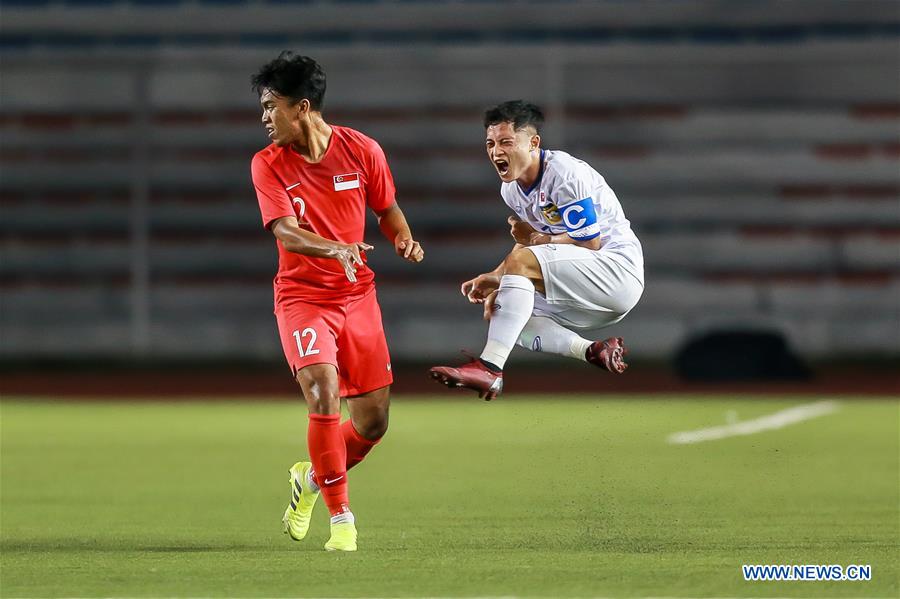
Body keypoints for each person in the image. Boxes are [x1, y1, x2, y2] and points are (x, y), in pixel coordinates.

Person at [250, 52, 423, 552]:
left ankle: (309, 480)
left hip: (358, 295)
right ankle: (341, 518)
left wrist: (403, 239)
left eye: (270, 106)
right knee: (323, 390)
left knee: (373, 422)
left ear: (301, 107)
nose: (264, 118)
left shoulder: (362, 149)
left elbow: (388, 210)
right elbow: (286, 232)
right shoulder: (267, 164)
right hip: (303, 297)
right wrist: (337, 247)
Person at [430, 100, 643, 400]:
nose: (496, 152)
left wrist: (536, 241)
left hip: (616, 272)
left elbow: (588, 243)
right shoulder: (512, 189)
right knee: (503, 308)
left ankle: (489, 369)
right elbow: (533, 247)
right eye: (490, 143)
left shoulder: (563, 174)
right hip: (586, 292)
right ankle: (593, 350)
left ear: (533, 143)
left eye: (506, 142)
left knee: (520, 269)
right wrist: (495, 277)